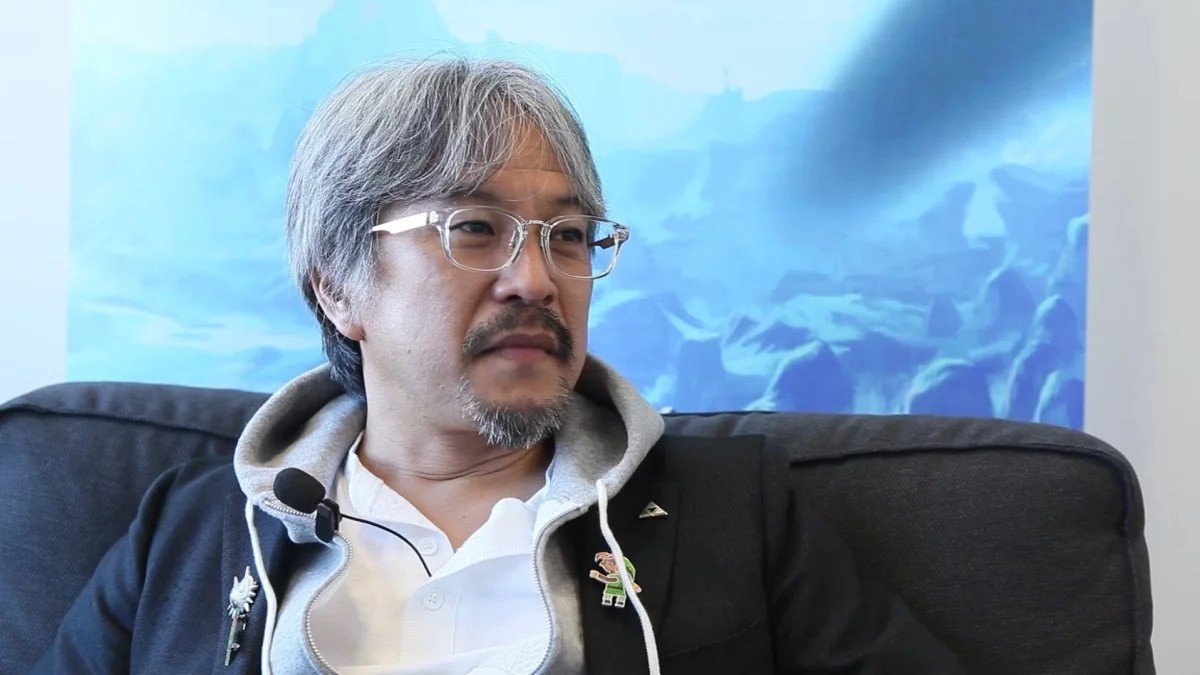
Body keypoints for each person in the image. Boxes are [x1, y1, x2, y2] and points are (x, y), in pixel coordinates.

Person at [33, 56, 964, 674]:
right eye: (475, 228)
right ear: (338, 287)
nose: (537, 279)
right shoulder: (191, 530)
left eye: (568, 235)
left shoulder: (735, 509)